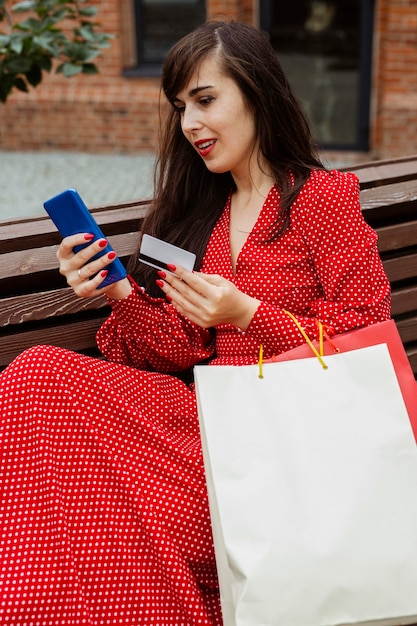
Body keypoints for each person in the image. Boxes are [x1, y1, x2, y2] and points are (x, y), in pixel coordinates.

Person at [0, 19, 390, 626]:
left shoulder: (321, 198)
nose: (189, 125)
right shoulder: (204, 213)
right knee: (39, 373)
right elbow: (175, 351)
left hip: (288, 442)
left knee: (99, 496)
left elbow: (367, 332)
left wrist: (250, 315)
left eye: (206, 101)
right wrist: (119, 289)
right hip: (210, 424)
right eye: (181, 107)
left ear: (257, 93)